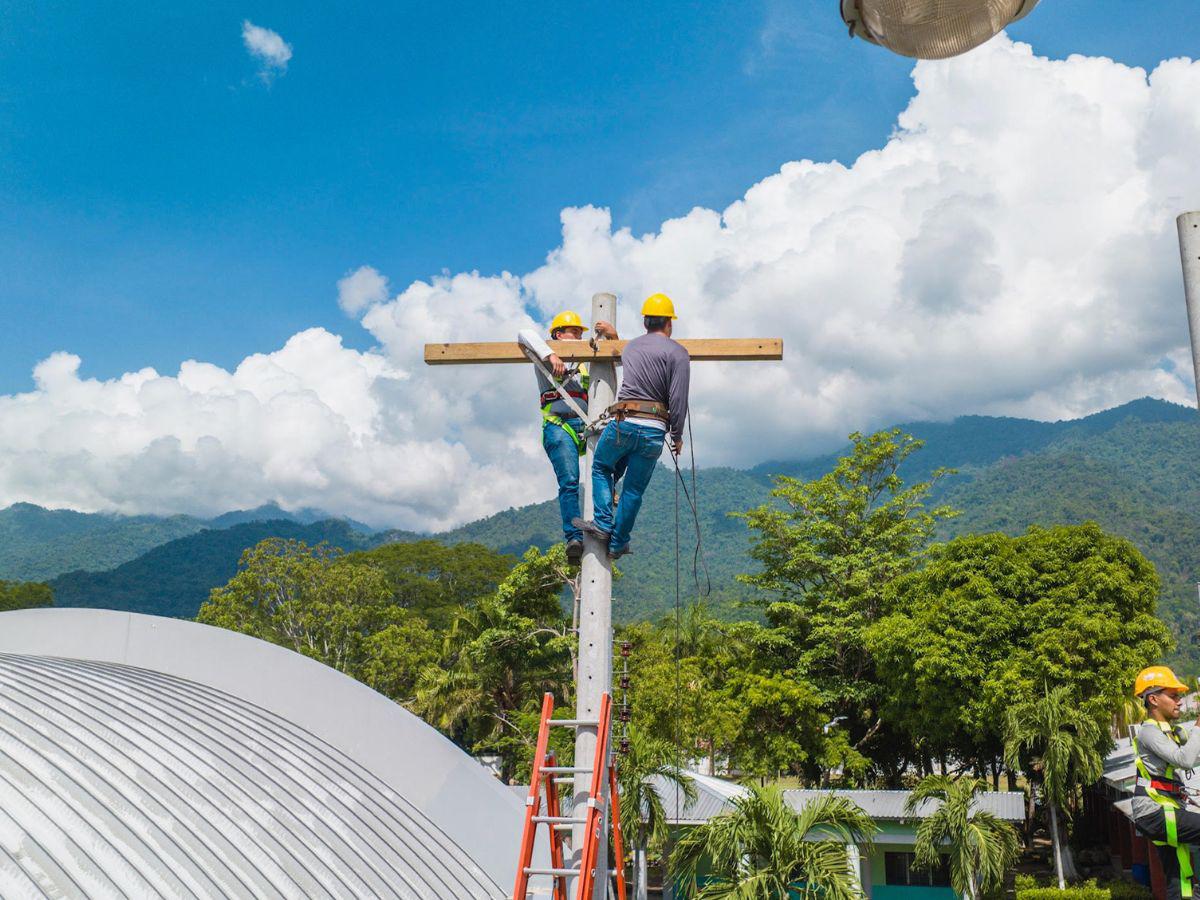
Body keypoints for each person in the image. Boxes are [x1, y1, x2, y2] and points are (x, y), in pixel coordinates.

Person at [574, 293, 690, 560]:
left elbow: (621, 355)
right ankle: (618, 544)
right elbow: (678, 398)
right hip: (653, 430)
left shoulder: (632, 348)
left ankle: (602, 524)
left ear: (645, 322)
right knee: (634, 491)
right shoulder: (678, 353)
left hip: (623, 423)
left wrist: (614, 335)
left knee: (602, 467)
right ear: (669, 324)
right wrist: (677, 436)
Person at [519, 311, 617, 566]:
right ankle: (574, 538)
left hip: (586, 425)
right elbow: (524, 334)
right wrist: (551, 354)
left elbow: (616, 361)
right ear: (558, 334)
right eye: (574, 331)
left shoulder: (586, 360)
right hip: (558, 424)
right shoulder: (543, 357)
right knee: (570, 481)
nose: (579, 336)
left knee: (612, 464)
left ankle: (607, 521)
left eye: (581, 333)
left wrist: (612, 336)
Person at [1131, 665, 1200, 900]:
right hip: (1155, 811)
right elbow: (1187, 759)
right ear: (1153, 699)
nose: (1179, 701)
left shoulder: (1169, 731)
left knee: (1178, 880)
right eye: (1173, 696)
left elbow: (1193, 756)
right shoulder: (1149, 733)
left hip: (1163, 809)